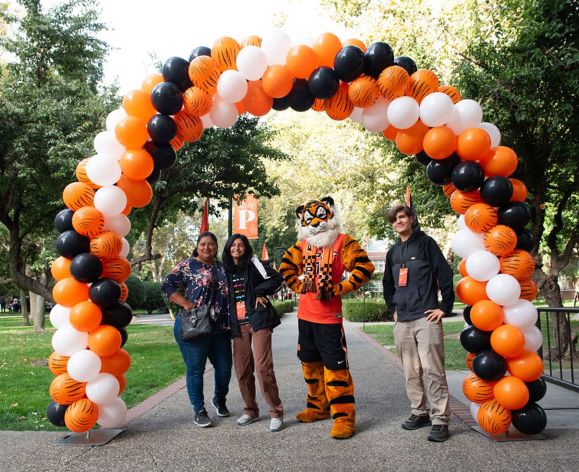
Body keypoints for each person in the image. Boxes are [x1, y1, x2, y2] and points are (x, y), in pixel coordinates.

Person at [279, 197, 375, 439]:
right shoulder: (302, 245)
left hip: (330, 319)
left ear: (331, 216)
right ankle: (317, 407)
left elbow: (365, 268)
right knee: (309, 364)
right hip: (305, 318)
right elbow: (285, 268)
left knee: (335, 369)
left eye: (321, 217)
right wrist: (298, 287)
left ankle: (343, 417)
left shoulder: (343, 241)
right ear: (302, 221)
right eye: (309, 219)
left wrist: (341, 287)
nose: (316, 223)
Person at [382, 205, 454, 443]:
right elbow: (387, 285)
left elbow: (444, 274)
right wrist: (393, 309)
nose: (398, 222)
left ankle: (440, 420)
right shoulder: (392, 252)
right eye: (394, 220)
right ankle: (419, 412)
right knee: (411, 371)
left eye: (402, 217)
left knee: (433, 370)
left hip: (426, 318)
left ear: (411, 219)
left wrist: (444, 308)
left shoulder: (427, 244)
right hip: (402, 320)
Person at [161, 231, 232, 428]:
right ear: (197, 246)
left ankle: (219, 399)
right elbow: (166, 285)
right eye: (203, 244)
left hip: (220, 327)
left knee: (225, 368)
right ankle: (199, 410)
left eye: (211, 244)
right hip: (195, 325)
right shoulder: (188, 265)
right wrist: (184, 303)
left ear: (216, 247)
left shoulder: (222, 267)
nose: (207, 247)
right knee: (195, 369)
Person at [222, 234, 285, 432]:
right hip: (237, 325)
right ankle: (251, 410)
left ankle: (276, 412)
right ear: (228, 248)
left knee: (263, 368)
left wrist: (260, 292)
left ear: (246, 248)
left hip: (258, 321)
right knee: (242, 370)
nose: (237, 248)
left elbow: (276, 277)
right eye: (233, 245)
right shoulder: (224, 269)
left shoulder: (254, 263)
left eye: (241, 245)